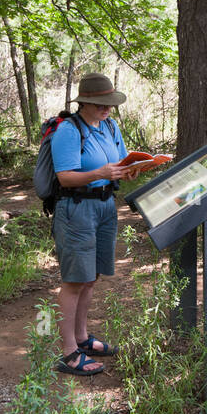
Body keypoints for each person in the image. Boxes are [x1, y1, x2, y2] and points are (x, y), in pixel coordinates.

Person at [50, 73, 131, 376]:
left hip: (106, 207)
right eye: (100, 103)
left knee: (91, 276)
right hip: (77, 209)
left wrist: (129, 171)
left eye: (109, 103)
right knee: (74, 280)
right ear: (84, 102)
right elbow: (65, 177)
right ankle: (69, 352)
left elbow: (121, 163)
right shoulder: (69, 131)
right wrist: (100, 173)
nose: (106, 108)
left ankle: (83, 338)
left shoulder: (110, 126)